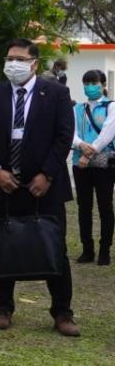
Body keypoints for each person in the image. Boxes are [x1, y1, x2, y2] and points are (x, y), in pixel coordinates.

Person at [0, 37, 78, 336]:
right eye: (10, 59)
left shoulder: (56, 94)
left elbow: (63, 137)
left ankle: (62, 312)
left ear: (34, 63)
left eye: (19, 59)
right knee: (3, 245)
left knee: (54, 246)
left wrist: (47, 174)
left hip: (44, 186)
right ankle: (3, 307)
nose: (13, 64)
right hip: (5, 184)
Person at [70, 69, 115, 265]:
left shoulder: (111, 107)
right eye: (86, 83)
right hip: (79, 165)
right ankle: (87, 249)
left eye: (94, 82)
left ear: (103, 84)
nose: (89, 86)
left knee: (105, 206)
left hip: (104, 164)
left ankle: (105, 249)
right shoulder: (77, 109)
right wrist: (80, 145)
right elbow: (70, 133)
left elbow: (107, 134)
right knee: (84, 207)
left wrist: (89, 153)